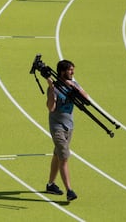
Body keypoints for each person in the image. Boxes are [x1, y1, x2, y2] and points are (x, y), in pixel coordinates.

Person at [45, 60, 88, 201]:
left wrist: (73, 87)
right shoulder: (55, 88)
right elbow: (51, 107)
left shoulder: (73, 85)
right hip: (57, 127)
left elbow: (86, 99)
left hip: (69, 126)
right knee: (64, 157)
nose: (72, 72)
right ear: (62, 72)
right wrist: (51, 87)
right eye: (70, 70)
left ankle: (51, 184)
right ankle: (69, 190)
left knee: (57, 155)